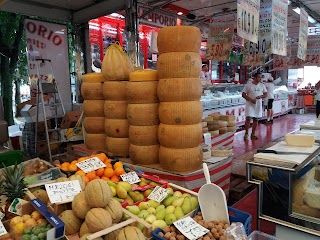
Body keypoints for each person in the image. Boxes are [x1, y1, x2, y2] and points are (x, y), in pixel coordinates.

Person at [242, 73, 267, 140]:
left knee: (256, 119)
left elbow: (265, 94)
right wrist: (250, 99)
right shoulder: (248, 85)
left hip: (258, 104)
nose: (260, 79)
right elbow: (243, 94)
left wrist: (261, 96)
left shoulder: (262, 85)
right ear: (255, 77)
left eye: (261, 77)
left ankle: (253, 133)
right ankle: (246, 133)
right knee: (248, 118)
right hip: (249, 104)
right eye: (259, 77)